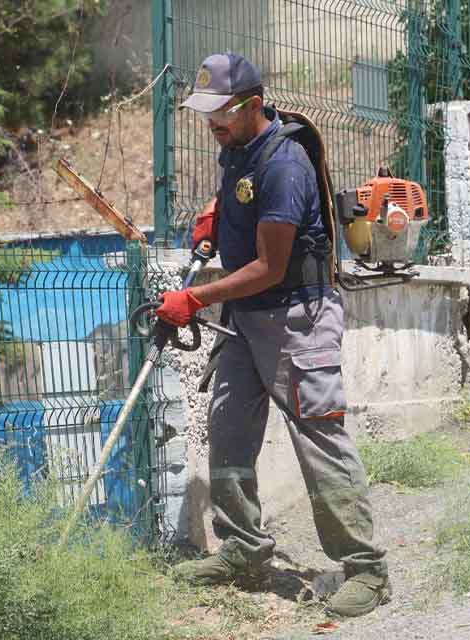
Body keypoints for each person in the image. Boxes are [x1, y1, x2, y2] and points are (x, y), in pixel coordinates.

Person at [156, 52, 392, 618]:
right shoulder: (237, 150)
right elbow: (245, 203)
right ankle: (244, 549)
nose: (209, 122)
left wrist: (195, 298)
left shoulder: (286, 166)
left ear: (252, 105)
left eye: (219, 112)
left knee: (320, 442)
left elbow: (270, 266)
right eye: (204, 111)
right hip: (245, 322)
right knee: (228, 429)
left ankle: (366, 569)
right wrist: (217, 212)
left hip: (294, 320)